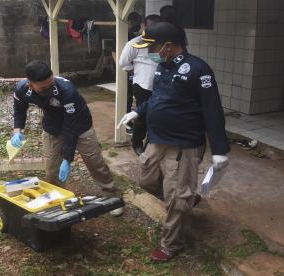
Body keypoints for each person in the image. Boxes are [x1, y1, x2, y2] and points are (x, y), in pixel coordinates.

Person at [118, 22, 230, 261]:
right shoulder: (161, 66)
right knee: (147, 180)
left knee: (176, 196)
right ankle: (183, 200)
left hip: (184, 143)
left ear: (168, 46)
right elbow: (159, 98)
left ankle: (171, 243)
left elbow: (212, 111)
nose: (146, 52)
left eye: (151, 47)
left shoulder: (199, 70)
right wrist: (139, 111)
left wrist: (220, 149)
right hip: (158, 138)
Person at [11, 60, 123, 216]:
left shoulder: (67, 90)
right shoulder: (22, 89)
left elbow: (71, 126)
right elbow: (19, 109)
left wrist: (67, 157)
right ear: (30, 84)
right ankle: (57, 200)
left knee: (95, 162)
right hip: (52, 126)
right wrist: (17, 131)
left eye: (51, 83)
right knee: (52, 169)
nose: (49, 87)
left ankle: (111, 195)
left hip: (80, 125)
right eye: (43, 86)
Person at [119, 14, 162, 156]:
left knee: (157, 115)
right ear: (143, 26)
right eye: (150, 27)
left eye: (156, 28)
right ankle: (137, 142)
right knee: (141, 115)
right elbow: (123, 62)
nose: (152, 30)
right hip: (142, 85)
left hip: (160, 87)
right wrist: (134, 73)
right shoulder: (134, 43)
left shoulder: (163, 44)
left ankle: (152, 143)